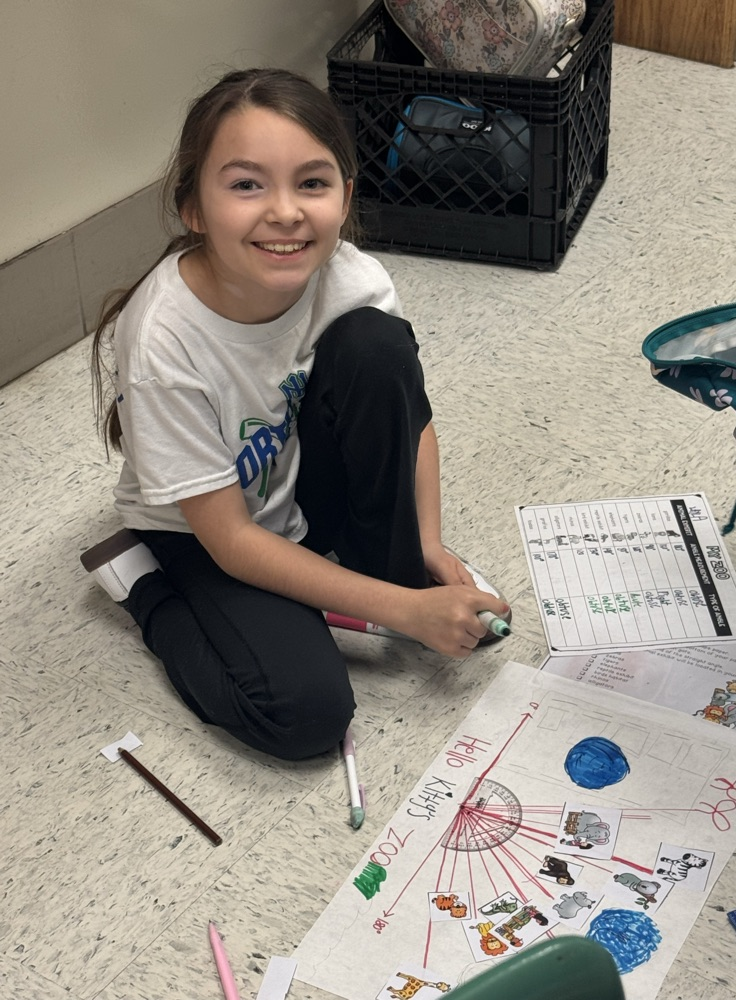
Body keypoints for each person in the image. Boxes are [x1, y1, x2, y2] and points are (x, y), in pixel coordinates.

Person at [82, 68, 510, 762]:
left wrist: (426, 545)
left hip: (297, 479)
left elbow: (414, 421)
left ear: (345, 195)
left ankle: (377, 571)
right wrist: (402, 609)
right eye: (246, 184)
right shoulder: (163, 338)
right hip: (207, 533)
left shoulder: (352, 277)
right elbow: (232, 543)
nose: (285, 212)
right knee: (306, 715)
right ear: (192, 206)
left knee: (376, 347)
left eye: (311, 183)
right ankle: (147, 594)